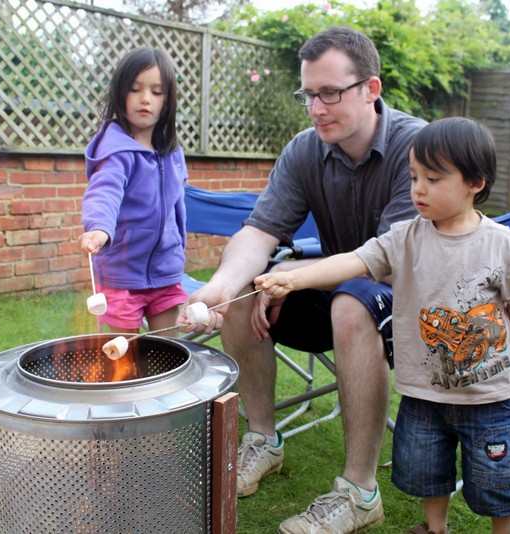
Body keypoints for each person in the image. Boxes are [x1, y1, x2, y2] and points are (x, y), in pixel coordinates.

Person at [182, 27, 426, 533]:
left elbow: (388, 260)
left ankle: (360, 493)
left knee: (351, 303)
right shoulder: (304, 150)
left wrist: (295, 273)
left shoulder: (417, 147)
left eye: (330, 93)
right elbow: (258, 232)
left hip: (413, 307)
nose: (316, 108)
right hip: (335, 288)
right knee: (249, 292)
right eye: (308, 95)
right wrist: (226, 285)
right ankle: (262, 441)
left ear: (371, 89)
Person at [256, 117, 510, 534]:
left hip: (487, 396)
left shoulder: (501, 244)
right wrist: (292, 278)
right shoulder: (404, 237)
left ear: (474, 182)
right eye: (413, 177)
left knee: (494, 477)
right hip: (423, 391)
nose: (418, 189)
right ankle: (434, 527)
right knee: (428, 466)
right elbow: (353, 261)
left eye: (433, 179)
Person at [79, 48, 188, 333]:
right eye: (135, 89)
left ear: (168, 100)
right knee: (123, 359)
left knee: (170, 352)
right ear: (120, 94)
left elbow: (178, 208)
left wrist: (178, 251)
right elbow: (105, 191)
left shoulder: (172, 152)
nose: (145, 99)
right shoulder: (116, 150)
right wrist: (100, 227)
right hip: (121, 276)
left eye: (157, 91)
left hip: (165, 273)